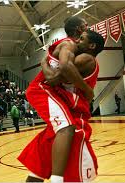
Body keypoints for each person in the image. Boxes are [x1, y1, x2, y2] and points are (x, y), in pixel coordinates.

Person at [18, 17, 104, 183]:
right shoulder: (71, 47)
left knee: (47, 150)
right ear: (79, 30)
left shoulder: (82, 55)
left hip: (62, 100)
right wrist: (87, 90)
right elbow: (55, 77)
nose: (87, 28)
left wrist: (44, 62)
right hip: (46, 91)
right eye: (85, 27)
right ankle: (58, 180)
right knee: (68, 128)